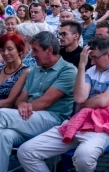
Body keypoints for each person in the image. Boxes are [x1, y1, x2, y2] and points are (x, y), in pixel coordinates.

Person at [18, 35, 109, 172]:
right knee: (26, 151)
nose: (92, 62)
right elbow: (79, 98)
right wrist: (81, 65)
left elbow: (102, 101)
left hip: (105, 129)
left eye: (95, 57)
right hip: (78, 123)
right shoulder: (91, 70)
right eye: (90, 58)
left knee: (83, 157)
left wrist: (85, 104)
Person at [0, 31, 77, 172]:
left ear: (49, 50)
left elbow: (45, 102)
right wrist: (22, 104)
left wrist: (24, 106)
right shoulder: (35, 70)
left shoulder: (68, 70)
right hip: (28, 118)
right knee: (4, 136)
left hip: (53, 120)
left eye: (35, 50)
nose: (32, 55)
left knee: (2, 115)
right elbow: (21, 98)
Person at [0, 33, 30, 107]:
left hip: (6, 112)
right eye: (2, 50)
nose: (6, 53)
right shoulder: (0, 67)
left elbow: (9, 102)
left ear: (19, 50)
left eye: (10, 49)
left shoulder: (25, 72)